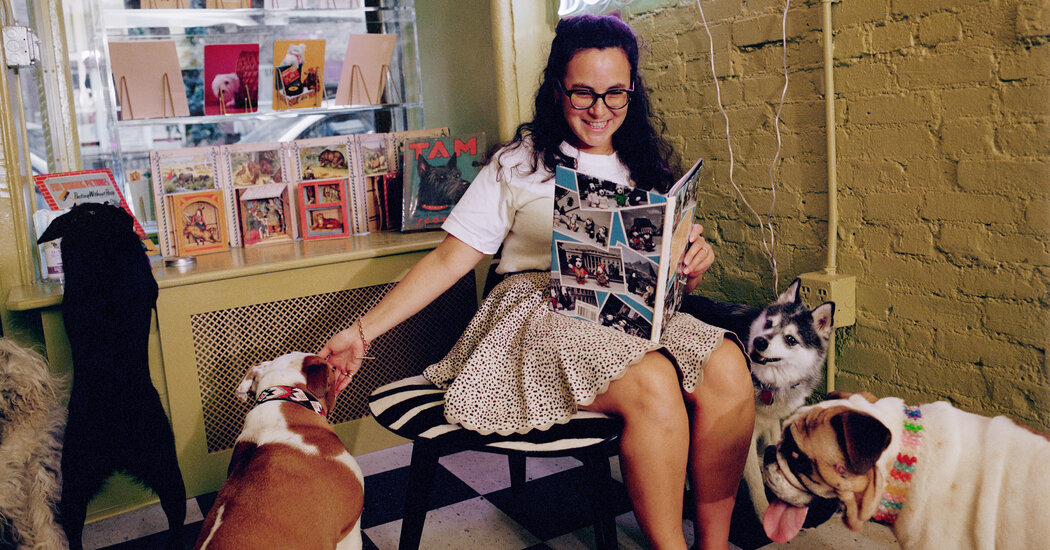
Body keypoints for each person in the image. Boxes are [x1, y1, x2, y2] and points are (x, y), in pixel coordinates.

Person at [321, 14, 754, 550]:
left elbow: (663, 270)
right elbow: (447, 260)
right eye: (583, 93)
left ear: (633, 90)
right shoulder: (519, 164)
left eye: (615, 94)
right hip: (537, 310)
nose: (600, 110)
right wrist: (362, 332)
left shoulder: (647, 166)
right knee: (652, 380)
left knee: (730, 367)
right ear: (556, 89)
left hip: (630, 311)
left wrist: (691, 262)